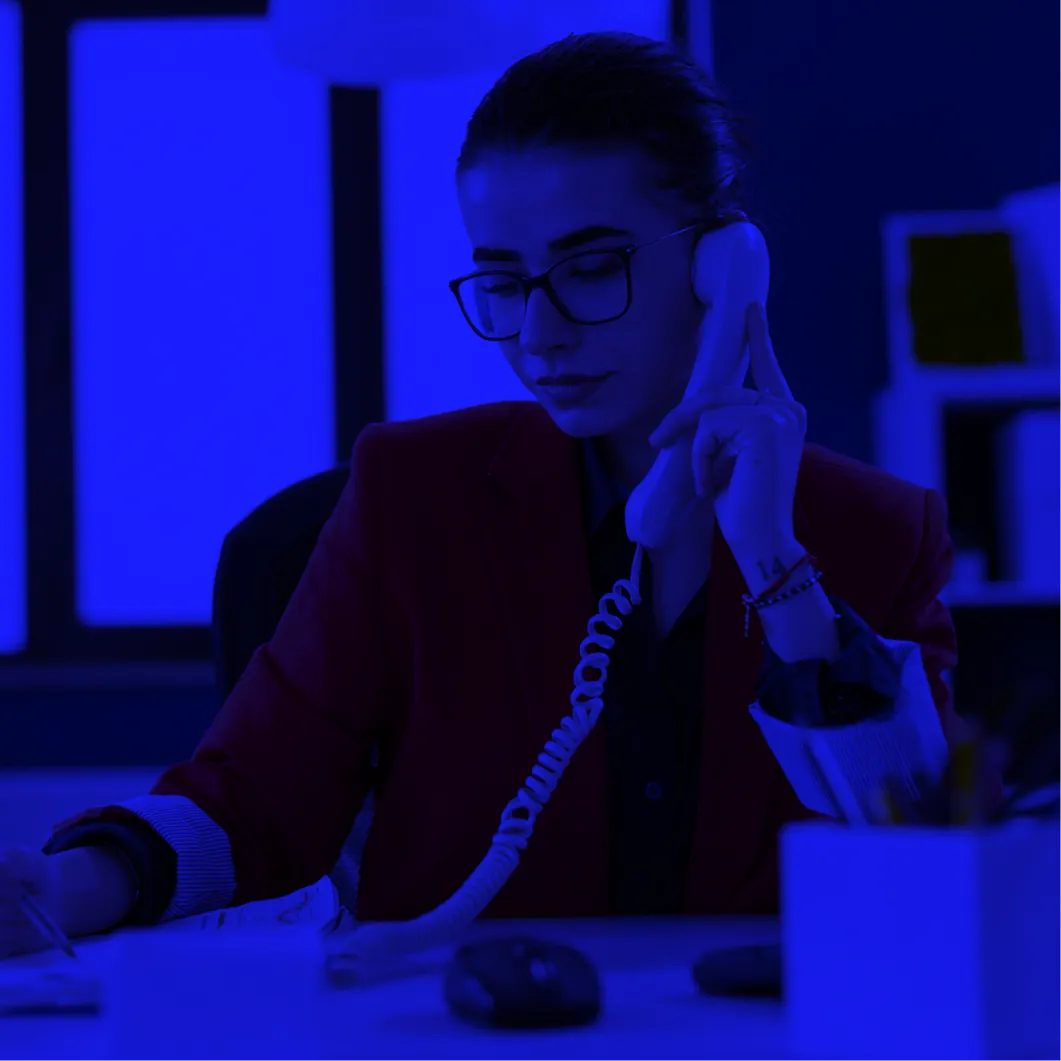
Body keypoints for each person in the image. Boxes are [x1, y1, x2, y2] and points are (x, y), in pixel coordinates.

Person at [0, 31, 960, 959]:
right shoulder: (413, 496)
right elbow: (254, 795)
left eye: (592, 269)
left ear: (722, 266)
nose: (538, 333)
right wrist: (60, 886)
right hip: (457, 1022)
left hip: (768, 1033)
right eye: (503, 281)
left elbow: (930, 864)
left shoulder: (876, 530)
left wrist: (774, 562)